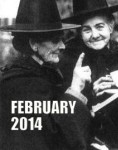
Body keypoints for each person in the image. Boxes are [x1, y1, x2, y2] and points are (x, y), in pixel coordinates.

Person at [0, 0, 93, 150]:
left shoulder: (39, 73)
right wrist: (75, 91)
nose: (63, 46)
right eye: (55, 40)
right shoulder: (21, 84)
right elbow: (52, 134)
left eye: (62, 39)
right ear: (33, 44)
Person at [59, 0, 118, 149]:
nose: (95, 35)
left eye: (99, 27)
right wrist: (91, 93)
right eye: (87, 30)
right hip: (93, 140)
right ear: (80, 32)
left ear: (111, 26)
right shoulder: (70, 58)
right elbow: (67, 115)